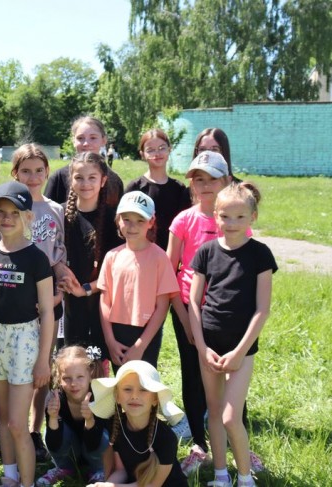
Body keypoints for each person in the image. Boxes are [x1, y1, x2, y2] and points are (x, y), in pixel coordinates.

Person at [188, 183, 276, 487]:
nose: (232, 223)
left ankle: (245, 478)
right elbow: (194, 303)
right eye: (225, 216)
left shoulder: (260, 254)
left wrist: (239, 352)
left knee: (229, 416)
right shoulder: (206, 251)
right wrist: (202, 347)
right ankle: (221, 476)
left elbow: (262, 310)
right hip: (209, 346)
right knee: (213, 411)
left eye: (240, 216)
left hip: (242, 349)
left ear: (253, 217)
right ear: (216, 215)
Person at [0, 181, 54, 487]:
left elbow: (47, 311)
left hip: (24, 341)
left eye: (14, 213)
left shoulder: (36, 259)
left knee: (17, 424)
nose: (6, 218)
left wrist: (44, 361)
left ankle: (27, 482)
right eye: (1, 212)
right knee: (2, 416)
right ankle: (10, 476)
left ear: (27, 217)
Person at [6, 143, 77, 461]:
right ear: (15, 173)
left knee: (42, 367)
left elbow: (59, 253)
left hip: (49, 298)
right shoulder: (8, 207)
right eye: (26, 171)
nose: (33, 177)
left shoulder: (56, 210)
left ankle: (35, 431)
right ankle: (13, 429)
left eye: (38, 170)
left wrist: (58, 289)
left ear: (47, 172)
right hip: (17, 299)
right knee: (15, 368)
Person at [166, 150, 232, 474]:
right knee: (192, 375)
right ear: (192, 184)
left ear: (226, 182)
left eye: (212, 179)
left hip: (225, 314)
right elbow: (169, 272)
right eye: (199, 179)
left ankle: (234, 438)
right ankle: (199, 444)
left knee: (229, 376)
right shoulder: (183, 220)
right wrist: (183, 317)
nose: (206, 185)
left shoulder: (233, 220)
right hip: (188, 312)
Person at [97, 192, 178, 372]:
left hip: (147, 335)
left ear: (151, 222)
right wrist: (110, 341)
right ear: (118, 220)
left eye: (140, 220)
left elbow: (162, 306)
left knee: (144, 384)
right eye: (126, 219)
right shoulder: (111, 257)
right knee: (121, 383)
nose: (132, 226)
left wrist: (140, 346)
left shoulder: (160, 258)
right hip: (116, 334)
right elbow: (104, 301)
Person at [58, 152, 123, 361]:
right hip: (66, 306)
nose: (85, 184)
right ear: (71, 180)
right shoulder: (59, 215)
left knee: (96, 365)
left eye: (92, 178)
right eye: (79, 177)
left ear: (103, 181)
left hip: (101, 304)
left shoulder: (114, 220)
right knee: (69, 364)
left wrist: (85, 289)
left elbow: (115, 271)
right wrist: (60, 272)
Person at [87, 360, 187, 487]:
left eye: (143, 390)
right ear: (117, 396)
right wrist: (107, 485)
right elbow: (121, 470)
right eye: (127, 389)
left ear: (155, 399)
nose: (134, 396)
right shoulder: (116, 425)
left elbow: (153, 485)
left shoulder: (166, 438)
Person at [37, 346, 109, 486]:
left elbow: (95, 443)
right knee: (49, 429)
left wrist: (89, 419)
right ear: (59, 378)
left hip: (95, 449)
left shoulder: (99, 397)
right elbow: (53, 444)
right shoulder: (55, 398)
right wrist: (53, 418)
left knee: (104, 435)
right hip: (72, 449)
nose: (74, 384)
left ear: (90, 374)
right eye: (67, 378)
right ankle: (64, 467)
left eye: (80, 377)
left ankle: (99, 470)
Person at [125, 129, 190, 251]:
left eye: (162, 148)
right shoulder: (135, 188)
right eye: (150, 150)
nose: (157, 153)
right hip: (142, 252)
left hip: (172, 254)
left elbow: (184, 227)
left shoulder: (179, 189)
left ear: (169, 149)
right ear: (142, 154)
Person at [44, 116, 123, 208]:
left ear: (103, 140)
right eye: (80, 138)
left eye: (93, 138)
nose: (86, 143)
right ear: (73, 141)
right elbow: (45, 212)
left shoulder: (114, 181)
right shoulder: (59, 178)